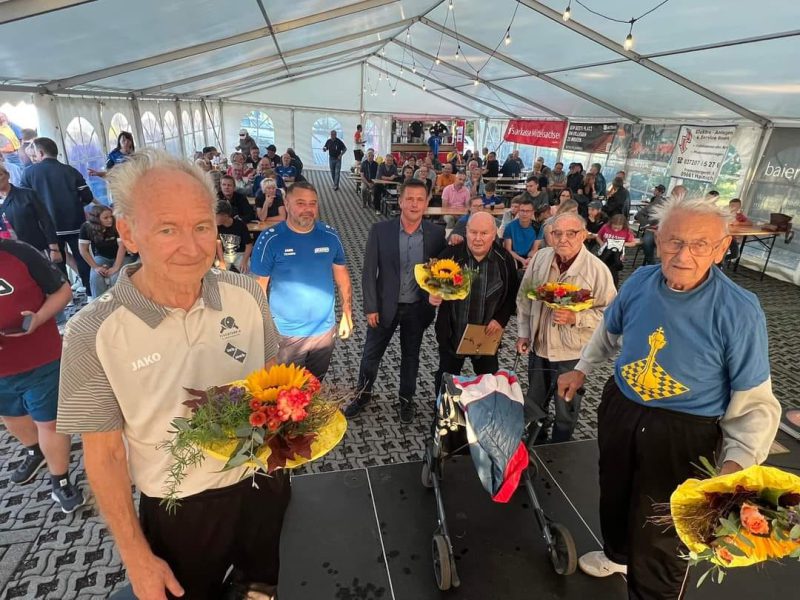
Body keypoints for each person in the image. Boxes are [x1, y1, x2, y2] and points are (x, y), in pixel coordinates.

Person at [58, 150, 289, 600]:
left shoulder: (246, 295)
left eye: (202, 226)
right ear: (128, 232)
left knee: (260, 587)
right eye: (168, 229)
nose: (192, 246)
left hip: (262, 483)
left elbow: (271, 386)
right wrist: (137, 558)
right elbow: (103, 458)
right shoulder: (92, 331)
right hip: (179, 506)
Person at [558, 196, 780, 599]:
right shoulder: (641, 281)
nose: (683, 255)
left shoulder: (739, 310)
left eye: (700, 244)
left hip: (684, 429)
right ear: (656, 239)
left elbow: (754, 402)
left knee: (666, 526)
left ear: (722, 247)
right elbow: (608, 332)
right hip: (622, 408)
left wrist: (733, 469)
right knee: (616, 491)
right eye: (674, 241)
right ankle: (619, 555)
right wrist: (581, 368)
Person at [345, 179, 447, 423]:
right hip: (383, 307)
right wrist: (370, 307)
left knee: (411, 356)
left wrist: (456, 242)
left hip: (417, 308)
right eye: (409, 198)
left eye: (419, 199)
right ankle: (363, 394)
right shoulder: (380, 230)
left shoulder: (436, 234)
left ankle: (406, 399)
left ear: (426, 203)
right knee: (371, 354)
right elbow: (369, 272)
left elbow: (442, 268)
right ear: (400, 201)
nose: (414, 204)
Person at [516, 212, 616, 440]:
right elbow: (524, 298)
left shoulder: (597, 271)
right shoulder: (541, 258)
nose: (563, 239)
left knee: (565, 408)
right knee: (534, 401)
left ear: (583, 235)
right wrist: (523, 333)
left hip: (571, 354)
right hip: (539, 347)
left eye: (570, 233)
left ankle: (560, 448)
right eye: (557, 233)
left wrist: (576, 318)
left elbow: (611, 317)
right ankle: (535, 442)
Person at [1, 238, 83, 512]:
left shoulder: (19, 252)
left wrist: (38, 318)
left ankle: (60, 481)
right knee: (11, 416)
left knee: (49, 421)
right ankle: (34, 450)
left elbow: (62, 291)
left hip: (40, 357)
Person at [251, 182, 352, 380]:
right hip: (285, 334)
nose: (308, 209)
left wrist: (347, 314)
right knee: (284, 393)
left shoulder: (330, 236)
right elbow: (258, 289)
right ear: (286, 204)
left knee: (314, 387)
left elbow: (342, 277)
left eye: (312, 204)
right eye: (300, 203)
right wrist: (264, 332)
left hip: (323, 331)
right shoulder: (270, 239)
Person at [430, 212, 519, 391]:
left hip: (486, 334)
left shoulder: (504, 260)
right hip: (452, 333)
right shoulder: (451, 255)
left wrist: (501, 320)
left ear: (494, 234)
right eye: (473, 232)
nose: (478, 238)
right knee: (447, 380)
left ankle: (483, 416)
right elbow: (432, 283)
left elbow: (511, 295)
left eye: (484, 233)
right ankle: (442, 415)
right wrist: (432, 295)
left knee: (488, 382)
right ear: (466, 232)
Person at [20, 137, 98, 294]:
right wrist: (76, 205)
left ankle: (65, 294)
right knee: (82, 256)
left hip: (49, 228)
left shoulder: (29, 173)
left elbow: (25, 201)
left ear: (40, 152)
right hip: (75, 223)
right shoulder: (70, 170)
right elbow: (87, 196)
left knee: (57, 261)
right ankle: (90, 292)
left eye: (34, 153)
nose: (33, 156)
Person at [0, 163, 60, 257]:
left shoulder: (28, 195)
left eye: (0, 175)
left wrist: (54, 248)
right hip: (8, 254)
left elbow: (46, 221)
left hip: (34, 249)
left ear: (7, 175)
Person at [78, 205, 131, 298]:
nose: (110, 219)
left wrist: (116, 267)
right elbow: (83, 250)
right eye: (105, 218)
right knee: (95, 277)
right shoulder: (86, 227)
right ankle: (98, 306)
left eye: (111, 216)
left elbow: (122, 247)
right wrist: (96, 267)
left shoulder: (116, 224)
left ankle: (119, 305)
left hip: (123, 256)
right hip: (102, 256)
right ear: (96, 219)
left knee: (115, 277)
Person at [635, 185, 683, 266]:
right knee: (647, 241)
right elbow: (639, 214)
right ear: (671, 193)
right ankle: (651, 263)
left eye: (680, 196)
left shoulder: (684, 209)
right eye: (675, 194)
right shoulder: (660, 202)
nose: (677, 197)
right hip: (655, 229)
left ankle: (668, 265)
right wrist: (647, 224)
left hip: (672, 234)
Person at [596, 214, 638, 288]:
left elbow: (633, 243)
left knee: (614, 272)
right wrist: (601, 243)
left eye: (618, 228)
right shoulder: (606, 227)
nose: (615, 230)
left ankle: (614, 287)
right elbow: (598, 236)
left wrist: (622, 244)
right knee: (601, 268)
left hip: (617, 254)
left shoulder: (626, 231)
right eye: (614, 227)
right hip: (605, 252)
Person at [214, 200, 253, 274]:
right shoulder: (216, 227)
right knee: (218, 274)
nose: (214, 217)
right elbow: (218, 245)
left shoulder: (240, 225)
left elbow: (249, 245)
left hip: (240, 254)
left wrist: (244, 261)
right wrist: (221, 262)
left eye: (216, 215)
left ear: (225, 216)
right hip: (224, 254)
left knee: (248, 272)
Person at [503, 198, 542, 270]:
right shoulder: (509, 227)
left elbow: (534, 249)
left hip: (530, 257)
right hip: (513, 257)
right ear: (518, 212)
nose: (524, 214)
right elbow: (508, 249)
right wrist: (521, 260)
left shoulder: (538, 227)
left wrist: (529, 260)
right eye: (522, 211)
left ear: (532, 212)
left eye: (528, 211)